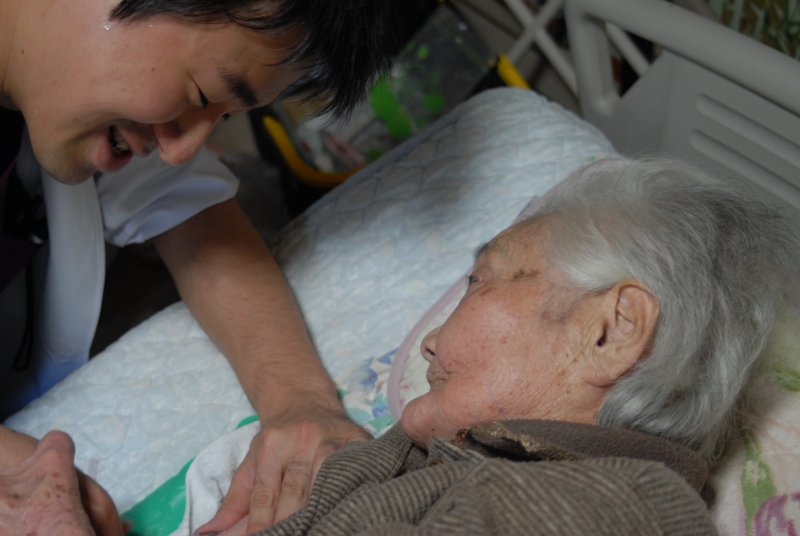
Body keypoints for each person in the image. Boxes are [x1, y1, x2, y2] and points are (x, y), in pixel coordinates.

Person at [74, 156, 799, 534]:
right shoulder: (468, 467)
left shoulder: (608, 507)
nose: (427, 342)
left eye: (482, 280)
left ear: (609, 333)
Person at [0, 0, 396, 533]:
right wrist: (20, 471)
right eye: (203, 95)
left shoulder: (71, 79)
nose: (182, 150)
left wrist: (300, 401)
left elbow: (189, 212)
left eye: (222, 116)